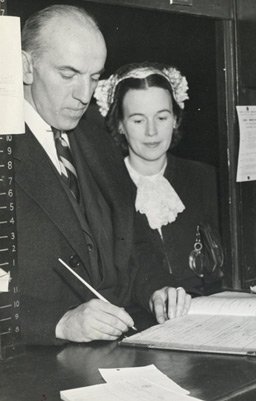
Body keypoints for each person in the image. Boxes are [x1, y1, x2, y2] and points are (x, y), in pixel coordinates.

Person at [17, 4, 191, 345]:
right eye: (68, 75)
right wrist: (60, 322)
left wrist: (156, 289)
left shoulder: (95, 133)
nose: (84, 95)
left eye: (94, 77)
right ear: (25, 66)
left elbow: (132, 238)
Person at [93, 61, 222, 295]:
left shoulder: (204, 178)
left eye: (161, 118)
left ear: (175, 119)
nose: (151, 132)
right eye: (138, 120)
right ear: (120, 124)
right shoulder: (102, 188)